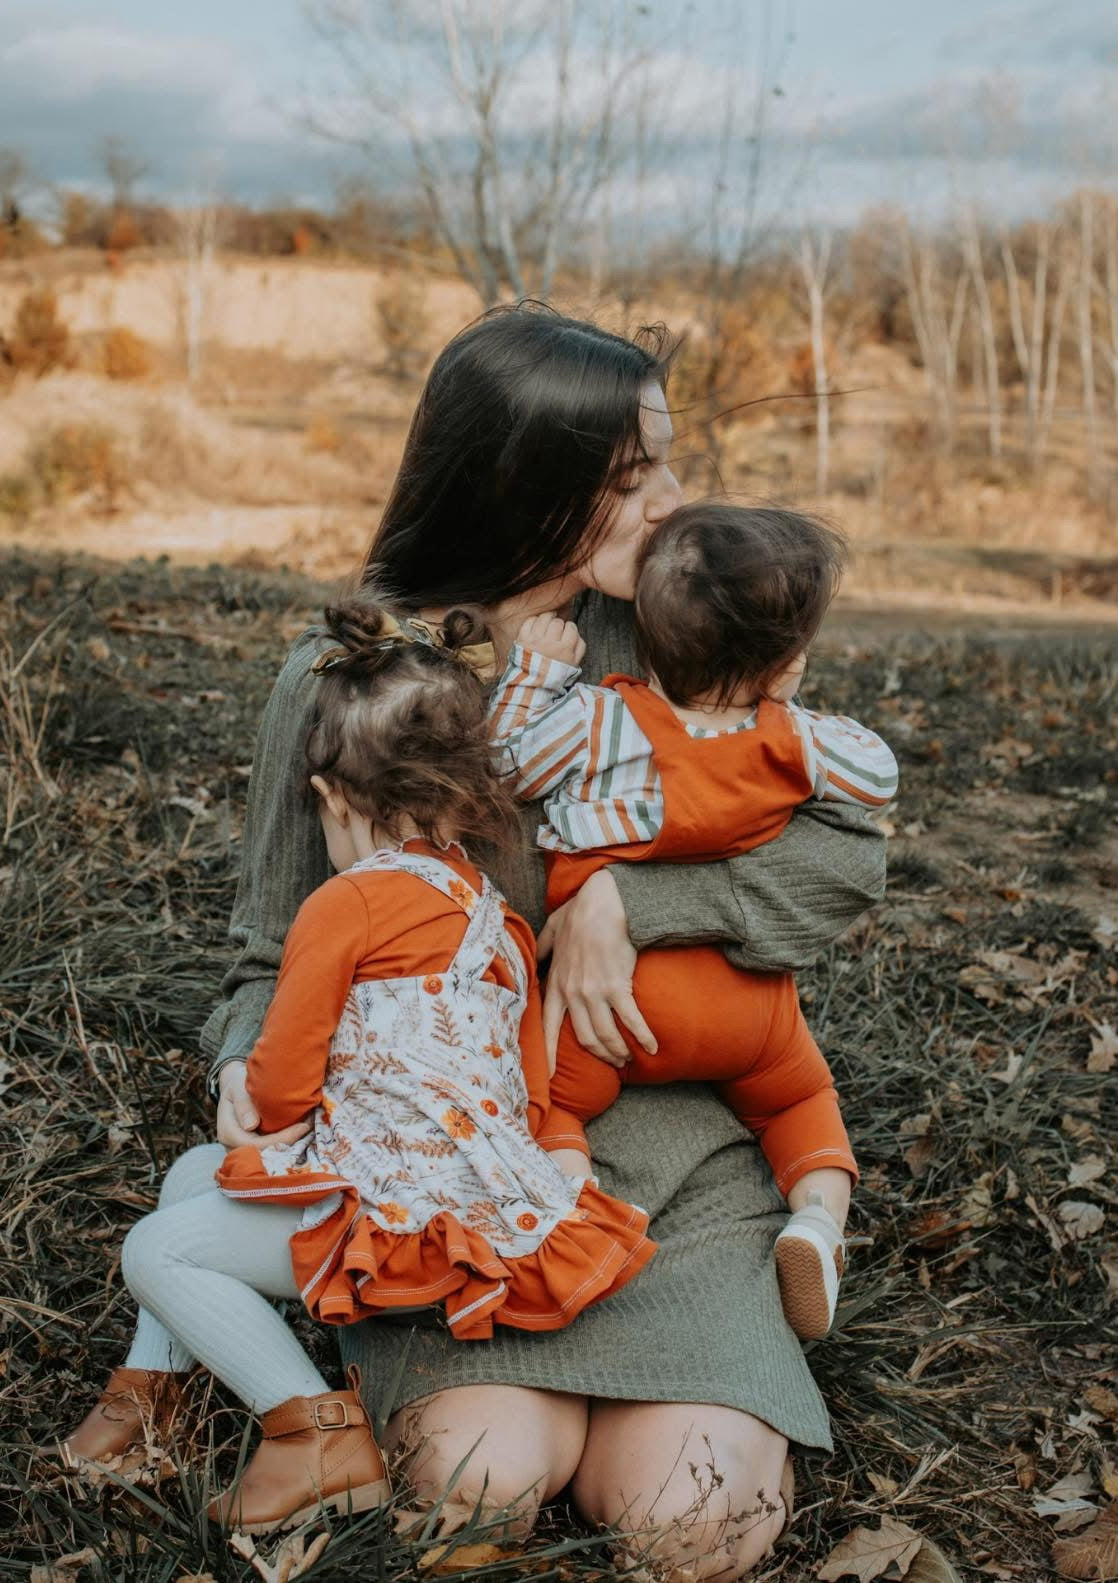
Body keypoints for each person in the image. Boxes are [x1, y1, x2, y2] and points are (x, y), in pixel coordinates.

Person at [62, 306, 886, 1581]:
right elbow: (268, 952)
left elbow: (844, 859)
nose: (673, 500)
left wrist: (627, 904)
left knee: (698, 1523)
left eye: (668, 461)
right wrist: (244, 1059)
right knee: (474, 1491)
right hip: (456, 1165)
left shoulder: (675, 624)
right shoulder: (346, 676)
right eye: (632, 476)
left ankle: (687, 1357)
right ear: (523, 485)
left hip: (676, 1149)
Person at [62, 598, 654, 1534]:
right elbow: (529, 1089)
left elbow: (286, 1082)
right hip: (477, 1217)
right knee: (189, 1180)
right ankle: (152, 1402)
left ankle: (314, 1433)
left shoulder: (345, 903)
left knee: (156, 1248)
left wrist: (251, 1097)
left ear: (331, 798)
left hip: (385, 1218)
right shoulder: (499, 920)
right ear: (465, 796)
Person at [488, 501, 900, 1341]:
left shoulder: (601, 722)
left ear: (646, 643)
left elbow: (506, 764)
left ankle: (572, 1211)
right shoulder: (793, 741)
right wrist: (789, 708)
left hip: (611, 1005)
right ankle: (817, 1221)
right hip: (748, 1004)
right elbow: (878, 774)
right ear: (783, 663)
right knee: (803, 1098)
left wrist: (534, 674)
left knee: (549, 1107)